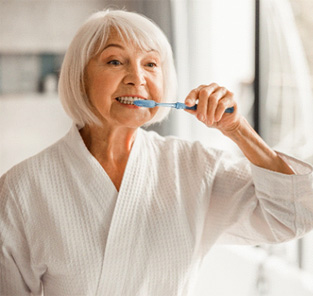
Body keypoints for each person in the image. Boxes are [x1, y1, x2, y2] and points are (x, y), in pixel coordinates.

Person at [1, 9, 313, 296]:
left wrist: (239, 130)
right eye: (115, 61)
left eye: (151, 64)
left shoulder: (194, 166)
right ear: (79, 77)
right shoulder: (21, 188)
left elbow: (294, 215)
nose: (137, 77)